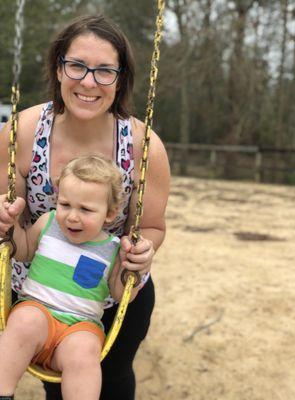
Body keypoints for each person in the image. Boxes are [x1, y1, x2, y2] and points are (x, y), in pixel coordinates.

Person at [0, 13, 170, 400]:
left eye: (104, 70)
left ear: (120, 77)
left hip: (110, 290)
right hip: (35, 290)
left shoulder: (143, 147)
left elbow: (153, 226)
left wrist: (143, 249)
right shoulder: (22, 132)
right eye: (76, 65)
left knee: (109, 380)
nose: (88, 81)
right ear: (58, 68)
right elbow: (5, 215)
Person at [0, 155, 143, 400]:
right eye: (65, 205)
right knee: (24, 320)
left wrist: (132, 273)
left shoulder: (113, 249)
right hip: (38, 313)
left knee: (86, 351)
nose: (72, 216)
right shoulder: (48, 223)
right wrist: (9, 229)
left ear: (110, 213)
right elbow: (22, 251)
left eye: (85, 209)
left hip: (78, 328)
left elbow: (121, 294)